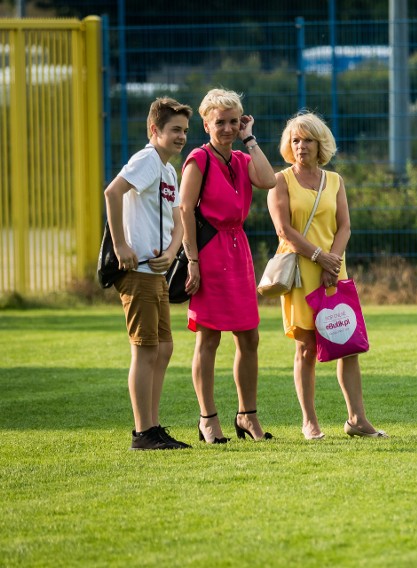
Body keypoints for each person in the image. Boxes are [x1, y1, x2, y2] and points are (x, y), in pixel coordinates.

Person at [267, 112, 385, 440]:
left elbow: (345, 225)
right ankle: (309, 422)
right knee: (305, 347)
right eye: (295, 140)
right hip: (301, 270)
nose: (300, 146)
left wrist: (333, 263)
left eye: (307, 140)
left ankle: (357, 420)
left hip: (334, 269)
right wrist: (319, 257)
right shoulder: (280, 180)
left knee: (347, 344)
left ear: (320, 145)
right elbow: (283, 230)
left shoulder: (335, 181)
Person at [179, 88, 277, 444]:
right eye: (220, 122)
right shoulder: (198, 160)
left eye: (234, 122)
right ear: (205, 123)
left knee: (249, 336)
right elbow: (185, 210)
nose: (227, 128)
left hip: (239, 253)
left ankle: (247, 415)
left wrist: (250, 139)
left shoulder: (242, 159)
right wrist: (192, 260)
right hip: (208, 253)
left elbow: (269, 181)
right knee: (208, 338)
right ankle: (208, 419)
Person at [104, 97, 193, 450]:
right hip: (137, 269)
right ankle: (144, 432)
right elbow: (113, 192)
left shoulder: (168, 169)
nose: (181, 136)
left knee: (164, 347)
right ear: (154, 130)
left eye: (185, 131)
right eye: (174, 130)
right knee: (145, 349)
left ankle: (153, 426)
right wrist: (121, 244)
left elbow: (177, 222)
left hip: (155, 272)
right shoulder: (146, 160)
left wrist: (172, 253)